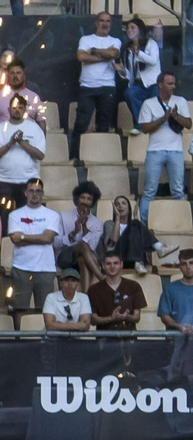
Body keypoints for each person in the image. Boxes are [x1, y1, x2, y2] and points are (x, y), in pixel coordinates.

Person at [6, 177, 60, 328]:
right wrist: (39, 238)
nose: (34, 194)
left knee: (45, 309)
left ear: (42, 193)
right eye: (31, 191)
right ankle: (20, 338)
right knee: (19, 308)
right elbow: (15, 240)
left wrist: (23, 237)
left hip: (45, 268)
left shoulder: (52, 215)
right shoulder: (15, 215)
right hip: (21, 267)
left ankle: (43, 338)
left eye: (38, 191)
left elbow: (48, 238)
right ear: (25, 193)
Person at [137, 72, 188, 222]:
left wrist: (176, 116)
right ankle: (144, 224)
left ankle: (182, 222)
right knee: (149, 191)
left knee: (178, 190)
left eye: (174, 83)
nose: (173, 86)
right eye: (170, 83)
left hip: (176, 150)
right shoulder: (149, 103)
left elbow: (189, 124)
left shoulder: (181, 101)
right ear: (160, 85)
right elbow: (145, 128)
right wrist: (163, 119)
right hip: (155, 150)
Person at [72, 11, 121, 162]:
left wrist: (94, 51)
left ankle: (101, 158)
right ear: (96, 23)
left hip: (108, 87)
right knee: (81, 123)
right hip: (87, 87)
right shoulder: (86, 39)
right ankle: (74, 156)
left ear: (111, 24)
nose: (105, 24)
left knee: (103, 124)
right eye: (102, 20)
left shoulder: (116, 40)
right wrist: (104, 57)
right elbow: (81, 56)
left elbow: (113, 54)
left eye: (108, 21)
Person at [101, 194, 173, 275]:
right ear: (114, 209)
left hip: (139, 260)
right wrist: (117, 218)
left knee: (135, 223)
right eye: (117, 204)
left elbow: (144, 246)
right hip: (119, 259)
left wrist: (137, 222)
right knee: (135, 223)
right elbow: (112, 242)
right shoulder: (109, 224)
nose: (120, 206)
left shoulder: (135, 225)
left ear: (129, 209)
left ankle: (138, 262)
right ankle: (159, 248)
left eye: (123, 203)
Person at [55, 181, 105, 289]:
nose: (85, 201)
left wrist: (85, 226)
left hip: (86, 258)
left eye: (89, 199)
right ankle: (103, 280)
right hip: (65, 257)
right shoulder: (63, 216)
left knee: (82, 259)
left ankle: (85, 295)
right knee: (82, 245)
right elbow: (56, 242)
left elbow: (92, 247)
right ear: (77, 199)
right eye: (83, 198)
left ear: (92, 202)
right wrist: (74, 232)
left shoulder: (97, 224)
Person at [118, 18, 160, 131]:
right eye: (127, 28)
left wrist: (139, 53)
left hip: (153, 83)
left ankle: (157, 129)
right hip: (137, 83)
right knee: (129, 93)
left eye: (132, 27)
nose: (129, 30)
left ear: (140, 30)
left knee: (156, 109)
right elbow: (130, 72)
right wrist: (121, 71)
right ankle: (140, 125)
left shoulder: (151, 44)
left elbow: (153, 61)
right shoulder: (128, 49)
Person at [87, 251, 145, 332]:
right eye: (108, 264)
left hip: (128, 335)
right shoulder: (93, 289)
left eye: (116, 263)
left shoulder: (134, 286)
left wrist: (127, 316)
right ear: (103, 266)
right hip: (104, 337)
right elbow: (93, 320)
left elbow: (137, 317)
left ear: (121, 265)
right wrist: (111, 318)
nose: (112, 266)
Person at [42, 268, 92, 332]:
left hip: (75, 337)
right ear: (61, 283)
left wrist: (58, 324)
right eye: (66, 280)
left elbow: (86, 326)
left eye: (73, 280)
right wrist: (78, 325)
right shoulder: (51, 297)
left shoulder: (84, 297)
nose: (70, 283)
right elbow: (50, 326)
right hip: (53, 337)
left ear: (78, 283)